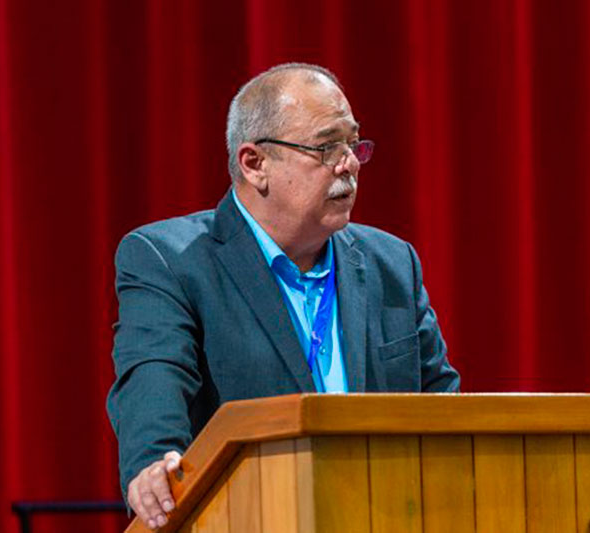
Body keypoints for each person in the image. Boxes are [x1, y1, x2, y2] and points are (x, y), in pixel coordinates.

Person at [106, 63, 460, 530]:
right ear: (255, 164)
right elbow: (154, 380)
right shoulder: (170, 261)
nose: (349, 163)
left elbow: (447, 414)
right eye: (326, 146)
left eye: (353, 144)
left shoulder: (391, 263)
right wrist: (154, 465)